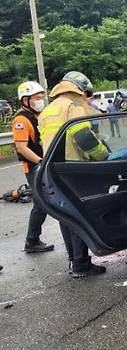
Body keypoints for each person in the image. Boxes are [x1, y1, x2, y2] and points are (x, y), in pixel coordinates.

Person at [39, 71, 109, 278]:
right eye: (85, 92)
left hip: (51, 170)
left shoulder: (48, 110)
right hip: (72, 169)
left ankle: (75, 261)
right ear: (79, 88)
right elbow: (83, 137)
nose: (85, 96)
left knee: (65, 217)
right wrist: (103, 155)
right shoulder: (73, 107)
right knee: (78, 214)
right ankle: (81, 264)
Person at [11, 81, 55, 253]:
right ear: (25, 100)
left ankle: (32, 240)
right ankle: (31, 241)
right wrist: (40, 162)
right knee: (40, 204)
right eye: (37, 98)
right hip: (34, 167)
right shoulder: (21, 120)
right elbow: (22, 147)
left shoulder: (37, 116)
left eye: (41, 97)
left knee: (42, 204)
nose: (41, 100)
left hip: (41, 165)